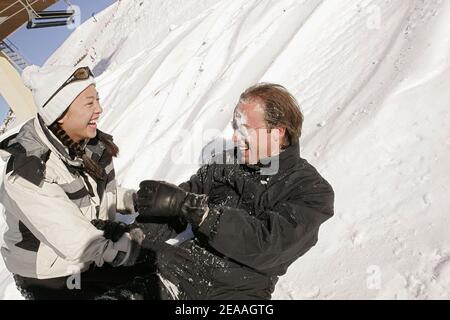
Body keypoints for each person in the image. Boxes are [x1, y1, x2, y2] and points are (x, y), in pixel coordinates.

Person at [101, 83, 335, 300]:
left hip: (232, 292)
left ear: (277, 132)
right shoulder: (227, 163)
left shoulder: (311, 191)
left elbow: (267, 245)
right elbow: (179, 205)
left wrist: (201, 213)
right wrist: (135, 234)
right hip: (175, 267)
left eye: (245, 129)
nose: (235, 137)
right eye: (235, 128)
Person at [0, 65, 145, 300]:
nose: (99, 109)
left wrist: (133, 199)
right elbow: (75, 240)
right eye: (89, 103)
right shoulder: (27, 171)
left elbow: (90, 198)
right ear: (60, 112)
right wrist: (129, 252)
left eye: (97, 100)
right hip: (52, 277)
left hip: (90, 251)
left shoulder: (83, 145)